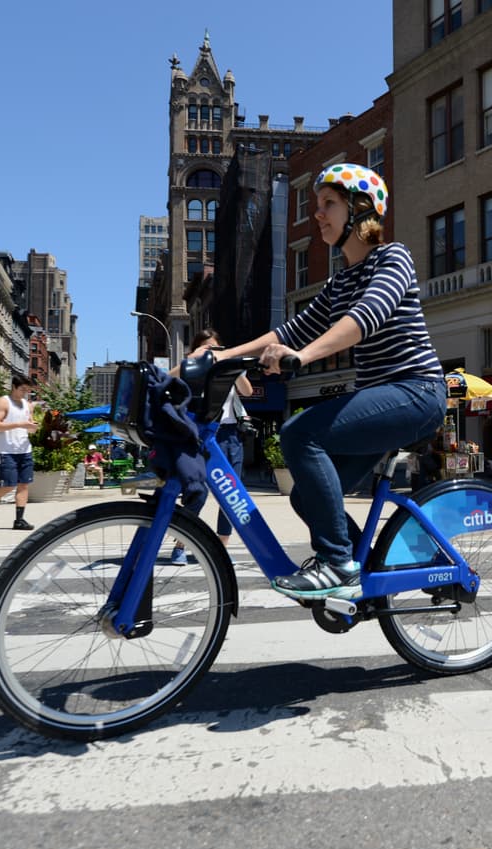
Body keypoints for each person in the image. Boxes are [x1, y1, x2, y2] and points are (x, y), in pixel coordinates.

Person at [197, 163, 446, 599]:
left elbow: (364, 318)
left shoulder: (393, 257)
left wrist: (303, 357)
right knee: (305, 497)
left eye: (328, 204)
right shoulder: (338, 283)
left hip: (417, 392)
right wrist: (223, 355)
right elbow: (290, 330)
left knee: (300, 432)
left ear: (360, 210)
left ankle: (338, 565)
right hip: (381, 396)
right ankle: (376, 571)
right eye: (317, 206)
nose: (318, 214)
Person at [171, 328, 255, 564]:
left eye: (216, 347)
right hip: (201, 433)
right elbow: (169, 378)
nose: (213, 353)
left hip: (229, 435)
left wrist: (229, 362)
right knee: (197, 492)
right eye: (208, 347)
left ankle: (221, 549)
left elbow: (247, 391)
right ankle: (180, 544)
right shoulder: (192, 368)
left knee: (231, 494)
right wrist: (194, 358)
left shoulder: (227, 366)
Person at [0, 375, 40, 531]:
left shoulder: (27, 405)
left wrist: (32, 428)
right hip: (5, 450)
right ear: (14, 387)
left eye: (28, 390)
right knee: (8, 484)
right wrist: (19, 424)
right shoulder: (3, 402)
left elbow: (29, 425)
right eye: (22, 389)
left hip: (24, 449)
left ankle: (19, 520)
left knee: (24, 484)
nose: (25, 393)